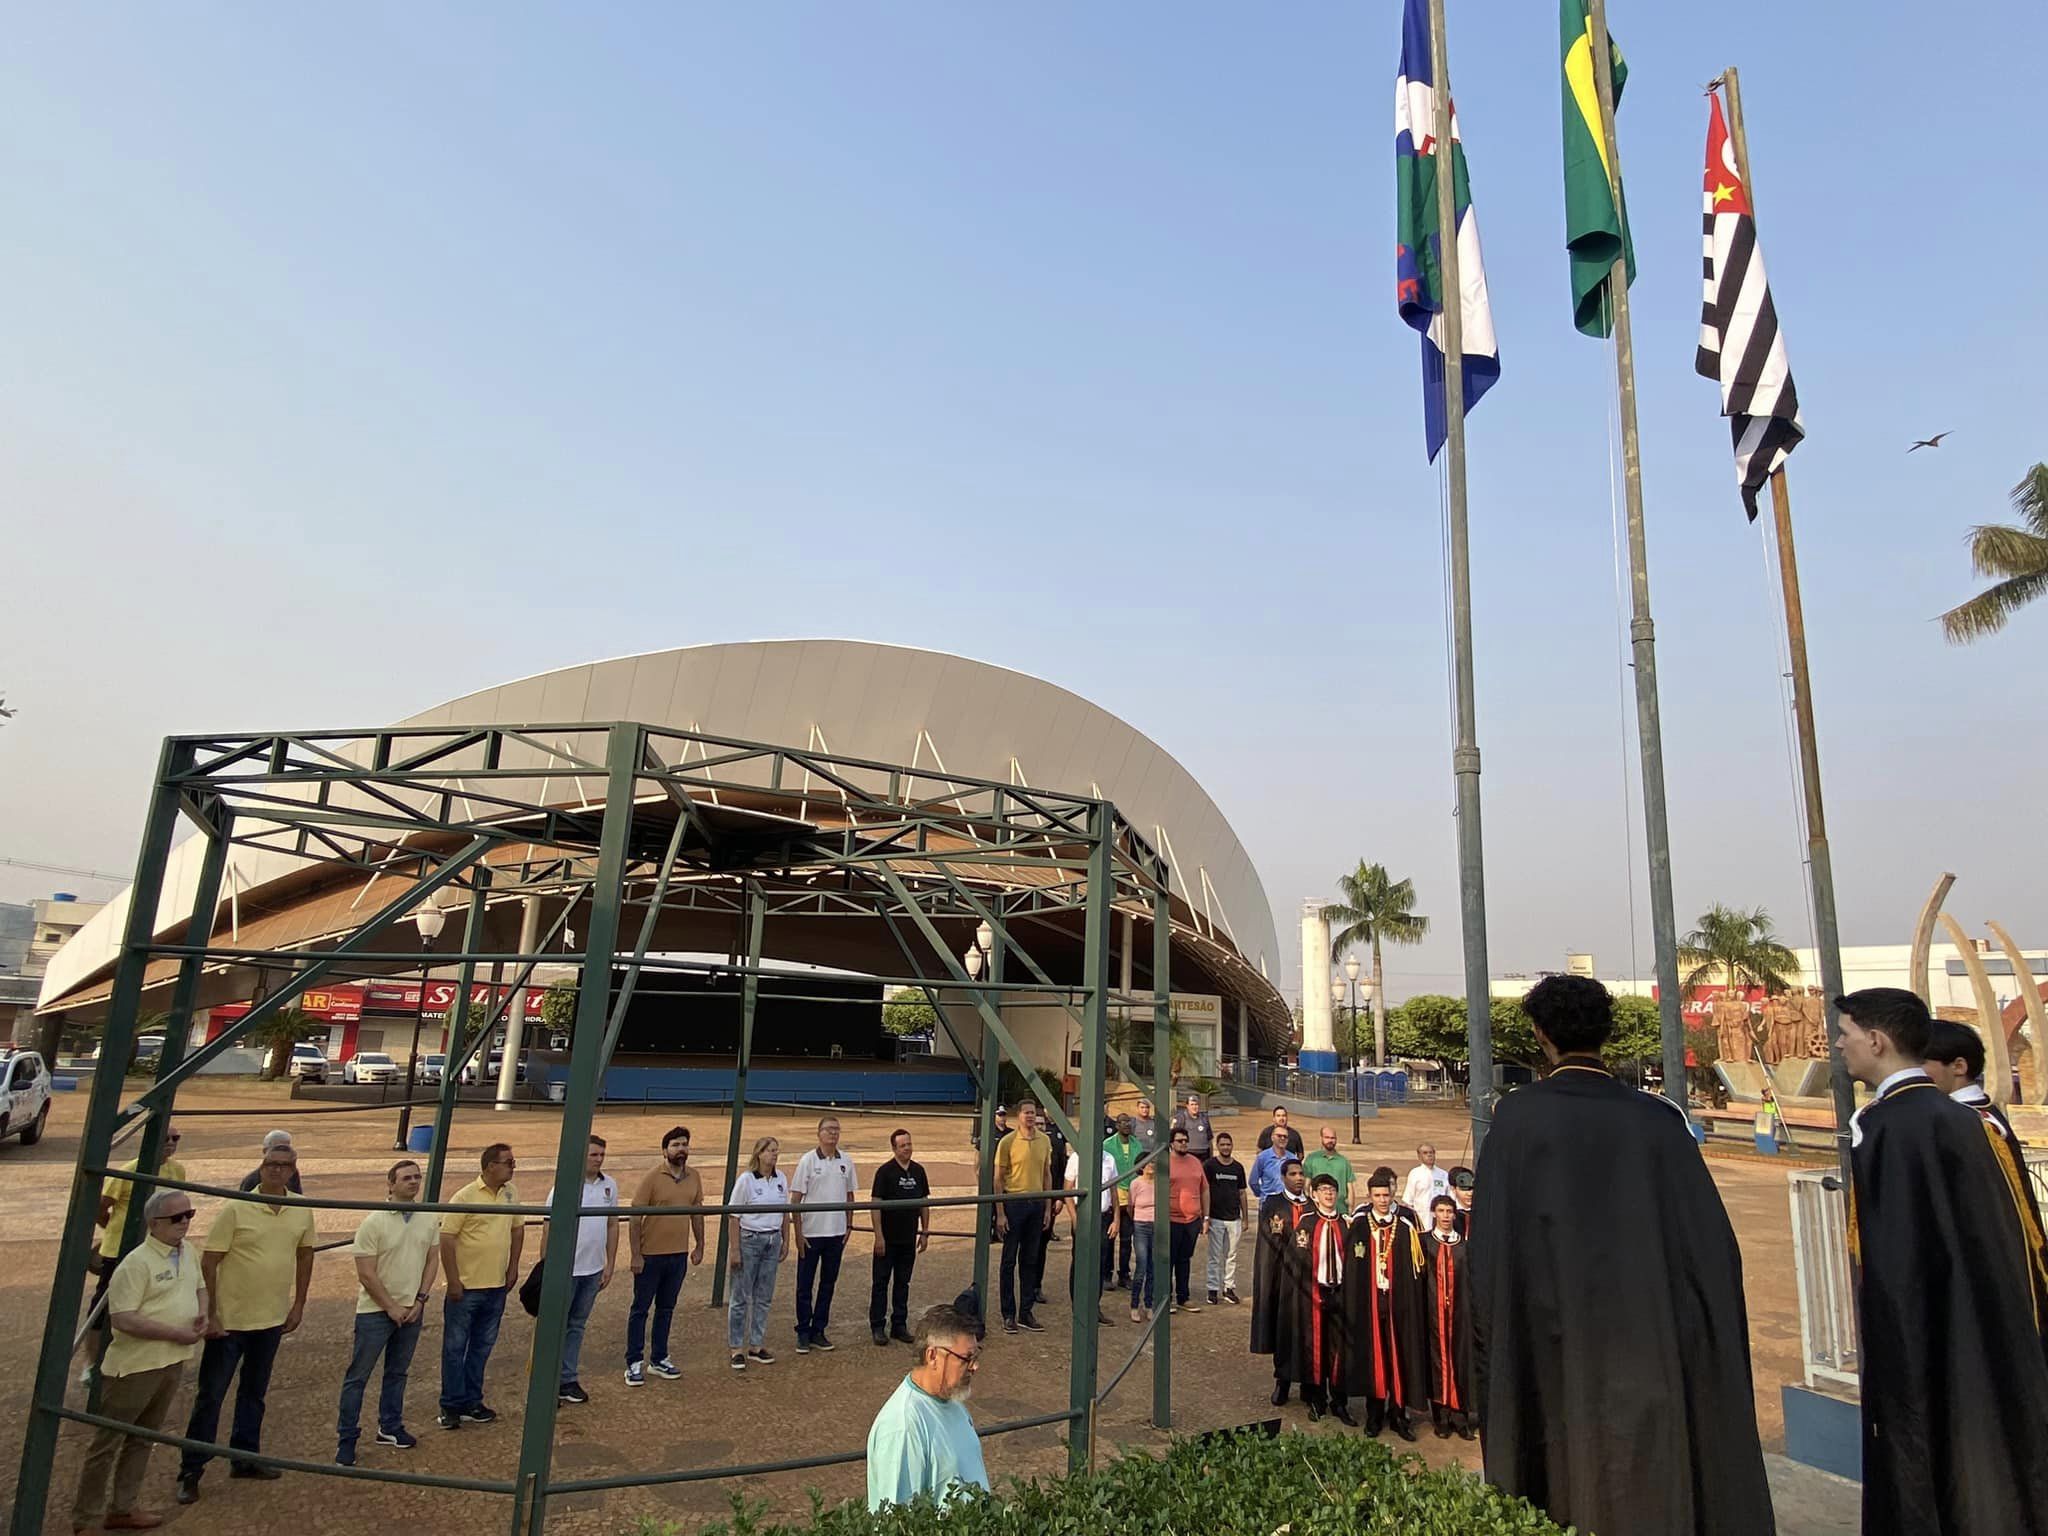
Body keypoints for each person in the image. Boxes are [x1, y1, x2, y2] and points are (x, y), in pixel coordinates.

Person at [1472, 975, 1773, 1536]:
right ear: (1605, 1034)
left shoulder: (1518, 1119)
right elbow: (1710, 1252)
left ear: (1541, 1034)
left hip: (1556, 1341)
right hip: (1651, 1339)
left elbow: (1492, 1253)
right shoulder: (1659, 1121)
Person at [1837, 986, 2048, 1535]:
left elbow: (1889, 1256)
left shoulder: (1880, 1127)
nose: (1840, 1045)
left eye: (1847, 1035)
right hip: (1983, 1315)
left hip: (1921, 1327)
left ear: (1877, 1041)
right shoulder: (1967, 1122)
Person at [175, 1142, 315, 1503]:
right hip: (232, 1321)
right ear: (261, 1166)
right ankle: (191, 1469)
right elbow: (210, 1262)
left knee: (254, 1393)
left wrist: (298, 1303)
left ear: (293, 1170)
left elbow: (304, 1255)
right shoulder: (237, 1207)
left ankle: (245, 1456)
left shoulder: (301, 1210)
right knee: (211, 1396)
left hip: (270, 1318)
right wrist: (213, 1312)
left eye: (284, 1166)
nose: (277, 1170)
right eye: (271, 1164)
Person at [73, 1189, 206, 1534]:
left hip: (171, 1362)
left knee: (144, 1438)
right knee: (107, 1443)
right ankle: (86, 1518)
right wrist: (174, 1333)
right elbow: (124, 1319)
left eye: (188, 1216)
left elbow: (200, 1287)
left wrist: (203, 1313)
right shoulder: (136, 1263)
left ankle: (123, 1507)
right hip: (134, 1367)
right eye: (176, 1218)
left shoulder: (188, 1252)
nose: (184, 1224)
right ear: (153, 1223)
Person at [336, 1159, 439, 1464]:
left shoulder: (427, 1218)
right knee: (358, 1376)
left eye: (417, 1177)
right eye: (406, 1178)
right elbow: (366, 1273)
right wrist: (390, 1306)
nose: (413, 1182)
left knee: (398, 1372)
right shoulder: (374, 1222)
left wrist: (420, 1300)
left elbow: (432, 1260)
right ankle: (347, 1437)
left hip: (411, 1309)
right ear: (391, 1184)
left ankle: (390, 1425)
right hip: (376, 1312)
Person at [864, 1303, 990, 1512]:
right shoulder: (903, 1426)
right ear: (933, 1356)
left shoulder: (953, 1402)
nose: (975, 1366)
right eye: (967, 1358)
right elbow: (898, 1521)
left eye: (976, 1356)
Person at [88, 1122, 187, 1380]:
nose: (171, 1142)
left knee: (151, 1302)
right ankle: (92, 1365)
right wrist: (111, 1228)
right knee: (105, 1306)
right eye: (165, 1137)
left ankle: (144, 1358)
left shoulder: (177, 1171)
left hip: (157, 1249)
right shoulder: (130, 1170)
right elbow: (101, 1206)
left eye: (175, 1138)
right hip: (121, 1249)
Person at [436, 1142, 521, 1432]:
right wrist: (454, 1279)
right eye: (508, 1162)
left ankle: (472, 1400)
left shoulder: (511, 1193)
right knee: (455, 1347)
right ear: (489, 1167)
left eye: (513, 1161)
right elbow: (446, 1238)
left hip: (496, 1285)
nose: (512, 1166)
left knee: (482, 1347)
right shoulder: (465, 1196)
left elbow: (517, 1229)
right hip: (468, 1286)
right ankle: (450, 1404)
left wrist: (513, 1267)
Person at [1346, 1167, 1426, 1440]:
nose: (1382, 1199)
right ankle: (1374, 1415)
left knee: (1399, 1358)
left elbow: (1415, 1275)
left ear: (1393, 1195)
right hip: (1370, 1305)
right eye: (1377, 1195)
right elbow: (1352, 1272)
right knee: (1374, 1359)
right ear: (1369, 1196)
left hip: (1398, 1307)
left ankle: (1399, 1415)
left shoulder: (1405, 1230)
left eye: (1385, 1194)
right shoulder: (1358, 1226)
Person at [626, 1125, 705, 1386]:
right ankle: (634, 1361)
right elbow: (635, 1216)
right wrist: (636, 1254)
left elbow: (697, 1211)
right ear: (665, 1150)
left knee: (666, 1308)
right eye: (675, 1145)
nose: (681, 1149)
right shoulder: (652, 1177)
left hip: (678, 1254)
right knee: (641, 1308)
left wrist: (700, 1244)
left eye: (684, 1144)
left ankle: (659, 1358)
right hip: (651, 1255)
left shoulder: (694, 1176)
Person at [541, 1134, 617, 1405]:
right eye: (593, 1154)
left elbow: (611, 1224)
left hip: (592, 1269)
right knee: (556, 1325)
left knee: (577, 1325)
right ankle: (546, 1381)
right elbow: (548, 1226)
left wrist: (610, 1262)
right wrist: (546, 1264)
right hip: (567, 1269)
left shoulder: (609, 1186)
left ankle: (567, 1378)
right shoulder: (564, 1186)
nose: (598, 1160)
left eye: (601, 1155)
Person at [1282, 1172, 1353, 1424]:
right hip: (1314, 1294)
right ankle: (1317, 1400)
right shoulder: (1307, 1224)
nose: (1329, 1193)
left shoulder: (1346, 1223)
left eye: (1332, 1189)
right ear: (1314, 1195)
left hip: (1340, 1295)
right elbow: (1295, 1261)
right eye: (1323, 1189)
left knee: (1340, 1350)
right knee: (1315, 1349)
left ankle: (1340, 1402)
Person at [791, 1116, 857, 1354]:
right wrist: (798, 1233)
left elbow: (850, 1196)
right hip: (811, 1233)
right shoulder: (807, 1161)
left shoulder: (846, 1161)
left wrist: (849, 1226)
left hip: (835, 1233)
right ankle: (803, 1331)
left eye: (837, 1130)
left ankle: (819, 1329)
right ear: (819, 1133)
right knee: (804, 1285)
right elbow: (796, 1199)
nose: (833, 1134)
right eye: (829, 1130)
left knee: (828, 1284)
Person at [726, 1135, 793, 1369]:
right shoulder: (746, 1180)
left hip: (772, 1240)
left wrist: (786, 1240)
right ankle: (736, 1347)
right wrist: (735, 1249)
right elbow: (734, 1216)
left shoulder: (781, 1178)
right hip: (750, 1240)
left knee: (764, 1296)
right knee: (740, 1296)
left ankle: (756, 1344)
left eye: (777, 1150)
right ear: (759, 1154)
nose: (774, 1154)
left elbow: (785, 1212)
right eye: (770, 1150)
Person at [1249, 1157, 1307, 1405]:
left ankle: (1309, 1385)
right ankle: (1282, 1381)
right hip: (1282, 1279)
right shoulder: (1273, 1204)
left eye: (1301, 1174)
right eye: (1293, 1174)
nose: (1298, 1178)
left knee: (1308, 1333)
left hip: (1307, 1281)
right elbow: (1267, 1247)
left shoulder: (1312, 1206)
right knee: (1284, 1331)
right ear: (1283, 1177)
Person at [991, 1100, 1051, 1333]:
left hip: (1036, 1204)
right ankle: (1008, 1314)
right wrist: (1000, 1213)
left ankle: (1026, 1312)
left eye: (1033, 1113)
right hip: (1014, 1203)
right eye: (1026, 1113)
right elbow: (998, 1179)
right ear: (1018, 1116)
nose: (1030, 1117)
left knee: (1030, 1259)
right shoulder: (1007, 1142)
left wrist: (1047, 1207)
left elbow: (1047, 1175)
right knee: (1008, 1261)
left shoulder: (1044, 1141)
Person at [870, 1128, 931, 1346]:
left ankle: (899, 1325)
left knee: (903, 1283)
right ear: (894, 1148)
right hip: (887, 1240)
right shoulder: (884, 1172)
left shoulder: (918, 1171)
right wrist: (879, 1236)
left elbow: (924, 1203)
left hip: (908, 1239)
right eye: (903, 1145)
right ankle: (877, 1326)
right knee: (880, 1283)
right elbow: (875, 1204)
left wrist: (924, 1231)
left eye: (909, 1144)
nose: (907, 1148)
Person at [1420, 1195, 1473, 1439]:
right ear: (1433, 1213)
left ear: (1454, 1214)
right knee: (1436, 1364)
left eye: (1449, 1211)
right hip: (1432, 1315)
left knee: (1460, 1362)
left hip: (1459, 1316)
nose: (1445, 1216)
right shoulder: (1423, 1243)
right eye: (1441, 1211)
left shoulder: (1464, 1247)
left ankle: (1460, 1418)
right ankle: (1440, 1417)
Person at [1064, 1137, 1118, 1326]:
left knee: (1100, 1262)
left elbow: (1113, 1190)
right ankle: (1077, 1307)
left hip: (1103, 1217)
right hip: (1083, 1215)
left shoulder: (1109, 1159)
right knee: (1079, 1261)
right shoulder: (1076, 1158)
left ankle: (1094, 1307)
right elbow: (1068, 1190)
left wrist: (1116, 1219)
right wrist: (1075, 1218)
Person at [1165, 1124, 1209, 1312]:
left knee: (1185, 1259)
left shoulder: (1195, 1162)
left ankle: (1184, 1297)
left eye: (1186, 1141)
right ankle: (1166, 1298)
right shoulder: (1164, 1162)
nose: (1184, 1144)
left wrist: (1206, 1217)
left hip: (1192, 1220)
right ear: (1171, 1143)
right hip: (1171, 1220)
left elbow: (1204, 1189)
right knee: (1169, 1259)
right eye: (1180, 1141)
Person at [1203, 1131, 1248, 1306]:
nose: (1225, 1147)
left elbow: (1242, 1192)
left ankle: (1229, 1288)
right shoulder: (1209, 1166)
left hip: (1234, 1219)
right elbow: (1204, 1191)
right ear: (1217, 1146)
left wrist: (1245, 1218)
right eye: (1222, 1144)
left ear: (1232, 1146)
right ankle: (1212, 1289)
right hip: (1216, 1218)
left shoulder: (1238, 1168)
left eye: (1228, 1144)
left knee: (1231, 1255)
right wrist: (1205, 1217)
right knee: (1215, 1256)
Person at [1104, 1114, 1141, 1287]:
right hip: (1115, 1195)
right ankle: (1106, 1273)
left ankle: (1124, 1274)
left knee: (1127, 1239)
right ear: (1117, 1125)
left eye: (1129, 1122)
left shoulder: (1137, 1144)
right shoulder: (1108, 1145)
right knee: (1109, 1238)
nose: (1127, 1125)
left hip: (1132, 1195)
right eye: (1123, 1122)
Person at [1127, 1157, 1160, 1323]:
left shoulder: (1160, 1183)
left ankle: (1148, 1304)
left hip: (1156, 1226)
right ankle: (1134, 1304)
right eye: (1148, 1163)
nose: (1151, 1166)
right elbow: (1130, 1206)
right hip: (1141, 1226)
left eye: (1153, 1162)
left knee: (1153, 1267)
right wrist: (1138, 1220)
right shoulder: (1136, 1183)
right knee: (1141, 1265)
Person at [1302, 1126, 1354, 1214]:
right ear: (1321, 1138)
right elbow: (1306, 1186)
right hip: (1318, 1209)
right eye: (1327, 1137)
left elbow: (1350, 1188)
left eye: (1333, 1138)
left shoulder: (1343, 1161)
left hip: (1340, 1210)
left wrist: (1350, 1210)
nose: (1330, 1140)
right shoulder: (1312, 1159)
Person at [236, 1130, 304, 1194]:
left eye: (286, 1149)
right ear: (265, 1151)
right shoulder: (251, 1181)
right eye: (277, 1149)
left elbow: (298, 1200)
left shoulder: (292, 1173)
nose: (283, 1154)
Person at [1402, 1143, 1449, 1215]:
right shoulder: (1415, 1173)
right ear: (1419, 1156)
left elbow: (1449, 1198)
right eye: (1425, 1153)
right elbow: (1408, 1200)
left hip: (1439, 1217)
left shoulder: (1443, 1174)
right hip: (1421, 1216)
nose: (1429, 1155)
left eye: (1431, 1152)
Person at [1172, 1093, 1214, 1159]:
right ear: (1187, 1106)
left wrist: (1211, 1156)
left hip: (1204, 1154)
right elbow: (1175, 1138)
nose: (1194, 1107)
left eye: (1196, 1104)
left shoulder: (1204, 1118)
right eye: (1192, 1105)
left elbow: (1209, 1139)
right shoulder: (1181, 1118)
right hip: (1188, 1153)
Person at [1447, 1166, 1476, 1238]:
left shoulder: (1483, 1212)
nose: (1470, 1193)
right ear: (1453, 1189)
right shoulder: (1447, 1213)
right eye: (1464, 1189)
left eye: (1472, 1188)